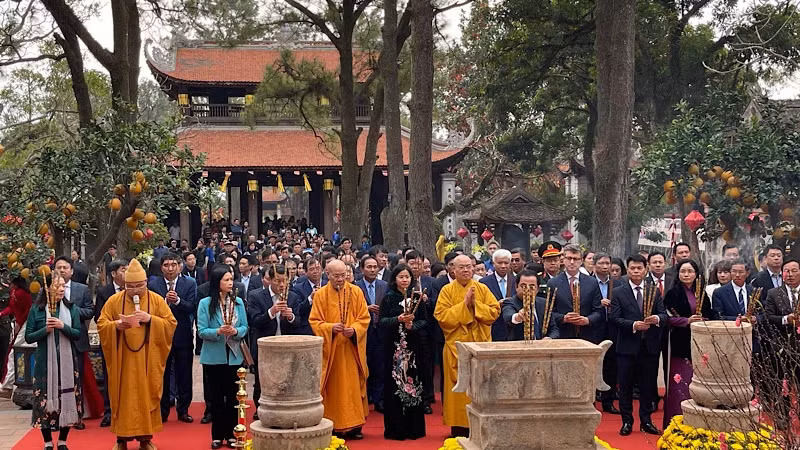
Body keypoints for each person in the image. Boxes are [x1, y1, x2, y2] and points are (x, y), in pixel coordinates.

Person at [97, 258, 177, 450]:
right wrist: (116, 325)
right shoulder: (114, 301)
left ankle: (145, 439)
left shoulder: (156, 300)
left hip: (147, 362)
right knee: (123, 399)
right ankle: (121, 440)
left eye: (139, 285)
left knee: (145, 397)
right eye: (130, 286)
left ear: (146, 283)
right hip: (122, 362)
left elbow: (171, 323)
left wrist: (151, 319)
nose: (134, 290)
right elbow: (101, 323)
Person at [434, 254, 501, 438]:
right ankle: (458, 428)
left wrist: (475, 305)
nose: (465, 270)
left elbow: (494, 312)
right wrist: (464, 305)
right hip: (456, 347)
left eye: (468, 267)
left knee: (480, 387)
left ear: (473, 268)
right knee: (457, 391)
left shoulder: (482, 288)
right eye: (461, 267)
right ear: (452, 270)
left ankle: (480, 426)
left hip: (479, 346)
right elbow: (442, 317)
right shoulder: (447, 291)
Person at [309, 260, 371, 439]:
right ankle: (333, 425)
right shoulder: (321, 295)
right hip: (332, 351)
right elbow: (315, 321)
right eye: (336, 276)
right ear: (327, 275)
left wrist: (355, 330)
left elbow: (364, 318)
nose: (340, 279)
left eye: (343, 275)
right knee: (334, 389)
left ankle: (354, 426)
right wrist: (329, 328)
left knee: (352, 388)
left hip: (351, 351)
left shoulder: (356, 291)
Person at [610, 254, 666, 437]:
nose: (636, 271)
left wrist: (656, 319)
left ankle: (646, 420)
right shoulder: (618, 292)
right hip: (626, 346)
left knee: (647, 385)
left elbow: (664, 315)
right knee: (625, 386)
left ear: (645, 269)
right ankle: (627, 421)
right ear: (628, 269)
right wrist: (634, 325)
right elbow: (614, 318)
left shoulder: (654, 290)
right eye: (632, 268)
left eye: (639, 268)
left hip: (649, 347)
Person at [26, 274, 82, 450]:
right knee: (44, 402)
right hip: (44, 364)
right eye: (57, 286)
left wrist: (62, 326)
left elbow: (77, 333)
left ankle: (63, 440)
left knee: (67, 399)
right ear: (47, 287)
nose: (61, 289)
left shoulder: (71, 308)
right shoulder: (37, 310)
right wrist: (46, 329)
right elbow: (28, 337)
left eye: (63, 286)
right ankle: (48, 442)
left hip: (67, 364)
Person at [247, 264, 310, 418]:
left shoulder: (293, 297)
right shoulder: (256, 296)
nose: (281, 285)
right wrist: (271, 312)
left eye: (284, 281)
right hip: (265, 346)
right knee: (262, 382)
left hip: (286, 346)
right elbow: (254, 322)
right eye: (277, 281)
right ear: (269, 281)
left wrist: (290, 316)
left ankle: (285, 410)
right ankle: (260, 410)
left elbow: (298, 323)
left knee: (287, 380)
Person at [662, 259, 719, 428]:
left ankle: (699, 420)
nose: (686, 275)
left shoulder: (701, 292)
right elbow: (668, 318)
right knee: (680, 382)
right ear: (678, 274)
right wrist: (686, 320)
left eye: (690, 271)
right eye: (683, 271)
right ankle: (676, 421)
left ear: (696, 274)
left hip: (701, 342)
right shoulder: (673, 293)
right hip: (680, 342)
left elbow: (710, 313)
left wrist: (703, 320)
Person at [197, 265, 249, 449]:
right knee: (217, 398)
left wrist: (236, 330)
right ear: (217, 282)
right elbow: (202, 331)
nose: (230, 283)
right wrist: (218, 331)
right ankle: (217, 435)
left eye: (231, 279)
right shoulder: (205, 303)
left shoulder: (239, 302)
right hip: (214, 357)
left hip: (234, 355)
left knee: (234, 397)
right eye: (226, 280)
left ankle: (233, 433)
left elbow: (245, 327)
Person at [378, 263, 428, 440]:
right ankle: (395, 429)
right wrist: (397, 319)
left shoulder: (417, 297)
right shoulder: (389, 298)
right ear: (395, 279)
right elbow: (381, 321)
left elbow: (424, 321)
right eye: (401, 277)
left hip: (413, 347)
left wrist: (412, 325)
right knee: (394, 385)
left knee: (414, 384)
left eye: (407, 277)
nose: (405, 280)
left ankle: (414, 428)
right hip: (394, 348)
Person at [147, 253, 197, 424]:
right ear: (161, 267)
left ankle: (183, 409)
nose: (170, 268)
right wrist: (164, 302)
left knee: (184, 374)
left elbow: (191, 307)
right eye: (167, 265)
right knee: (162, 374)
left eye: (173, 264)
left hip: (182, 335)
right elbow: (151, 309)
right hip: (160, 336)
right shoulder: (153, 285)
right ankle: (162, 410)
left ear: (179, 266)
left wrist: (178, 301)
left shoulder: (189, 283)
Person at [52, 257, 92, 430]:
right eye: (59, 267)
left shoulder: (82, 289)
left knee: (77, 379)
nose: (62, 270)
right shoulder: (48, 289)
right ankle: (55, 416)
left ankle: (78, 415)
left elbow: (90, 310)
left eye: (65, 267)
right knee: (56, 378)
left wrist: (71, 311)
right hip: (54, 339)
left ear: (72, 271)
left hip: (77, 339)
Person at [761, 258, 800, 431]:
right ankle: (783, 418)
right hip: (781, 347)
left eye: (793, 271)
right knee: (782, 383)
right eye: (786, 271)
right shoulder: (773, 293)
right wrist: (785, 319)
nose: (790, 275)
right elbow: (768, 317)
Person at [94, 259, 129, 428]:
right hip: (112, 340)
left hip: (131, 341)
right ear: (114, 274)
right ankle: (109, 411)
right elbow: (98, 318)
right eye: (124, 270)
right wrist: (116, 324)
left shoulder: (135, 290)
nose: (127, 273)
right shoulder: (103, 291)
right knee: (110, 376)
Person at [546, 244, 604, 343]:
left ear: (581, 261)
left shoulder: (592, 282)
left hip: (587, 336)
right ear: (563, 260)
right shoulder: (553, 283)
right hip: (563, 336)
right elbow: (548, 313)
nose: (572, 262)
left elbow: (599, 311)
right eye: (569, 258)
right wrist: (563, 318)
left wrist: (587, 320)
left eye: (576, 259)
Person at [354, 256, 388, 413]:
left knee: (380, 366)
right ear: (362, 269)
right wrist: (366, 309)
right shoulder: (355, 287)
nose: (373, 269)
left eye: (375, 266)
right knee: (363, 364)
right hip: (362, 332)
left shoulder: (385, 286)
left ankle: (380, 398)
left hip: (380, 330)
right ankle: (364, 396)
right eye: (369, 267)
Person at [594, 252, 621, 414]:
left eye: (607, 263)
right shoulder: (588, 283)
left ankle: (608, 400)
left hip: (612, 327)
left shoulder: (617, 284)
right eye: (601, 263)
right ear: (594, 264)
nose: (605, 267)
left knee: (611, 365)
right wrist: (598, 303)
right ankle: (591, 399)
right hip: (594, 327)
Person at [502, 269, 559, 340]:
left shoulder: (544, 303)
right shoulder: (510, 302)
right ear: (516, 287)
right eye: (523, 286)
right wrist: (518, 317)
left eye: (532, 287)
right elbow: (508, 316)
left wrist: (549, 338)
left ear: (537, 289)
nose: (527, 290)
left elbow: (554, 329)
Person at [0, 276, 32, 397]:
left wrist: (20, 323)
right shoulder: (14, 292)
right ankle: (8, 382)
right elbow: (12, 308)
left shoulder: (22, 294)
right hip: (19, 323)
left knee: (15, 352)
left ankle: (10, 383)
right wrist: (2, 313)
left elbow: (26, 311)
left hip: (25, 324)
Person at [479, 249, 516, 341]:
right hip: (494, 326)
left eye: (506, 263)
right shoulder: (484, 282)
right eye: (499, 263)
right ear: (493, 263)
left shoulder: (516, 280)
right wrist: (496, 304)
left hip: (513, 326)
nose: (503, 266)